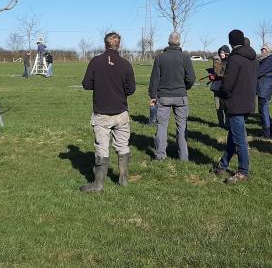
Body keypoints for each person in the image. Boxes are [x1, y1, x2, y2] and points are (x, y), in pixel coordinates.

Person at [80, 32, 136, 192]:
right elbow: (131, 89)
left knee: (102, 148)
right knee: (123, 145)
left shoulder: (95, 61)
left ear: (105, 44)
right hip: (121, 113)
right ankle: (123, 179)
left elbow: (86, 84)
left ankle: (98, 185)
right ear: (119, 45)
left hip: (101, 114)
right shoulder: (126, 64)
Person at [213, 30, 256, 184]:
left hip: (236, 103)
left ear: (231, 42)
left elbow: (228, 83)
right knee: (233, 135)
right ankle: (223, 165)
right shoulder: (252, 57)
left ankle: (243, 171)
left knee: (239, 140)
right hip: (248, 101)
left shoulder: (234, 59)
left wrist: (223, 93)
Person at [148, 32, 196, 161]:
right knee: (182, 126)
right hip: (180, 96)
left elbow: (154, 79)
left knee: (162, 126)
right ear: (179, 42)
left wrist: (153, 96)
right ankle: (184, 156)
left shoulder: (160, 58)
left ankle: (160, 155)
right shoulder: (185, 57)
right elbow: (191, 78)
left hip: (163, 97)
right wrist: (186, 87)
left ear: (169, 42)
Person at [256, 44, 272, 138]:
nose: (262, 50)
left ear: (269, 50)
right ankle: (268, 131)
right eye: (261, 49)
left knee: (263, 110)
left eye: (264, 49)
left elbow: (259, 71)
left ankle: (267, 133)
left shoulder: (270, 59)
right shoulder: (265, 59)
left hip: (265, 87)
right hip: (263, 86)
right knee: (264, 110)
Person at [209, 45, 230, 128]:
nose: (221, 54)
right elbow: (216, 72)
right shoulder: (218, 61)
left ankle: (228, 124)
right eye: (220, 52)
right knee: (218, 107)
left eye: (223, 52)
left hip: (225, 87)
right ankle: (221, 123)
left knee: (226, 107)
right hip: (216, 87)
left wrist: (216, 75)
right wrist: (211, 75)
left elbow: (221, 73)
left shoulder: (230, 62)